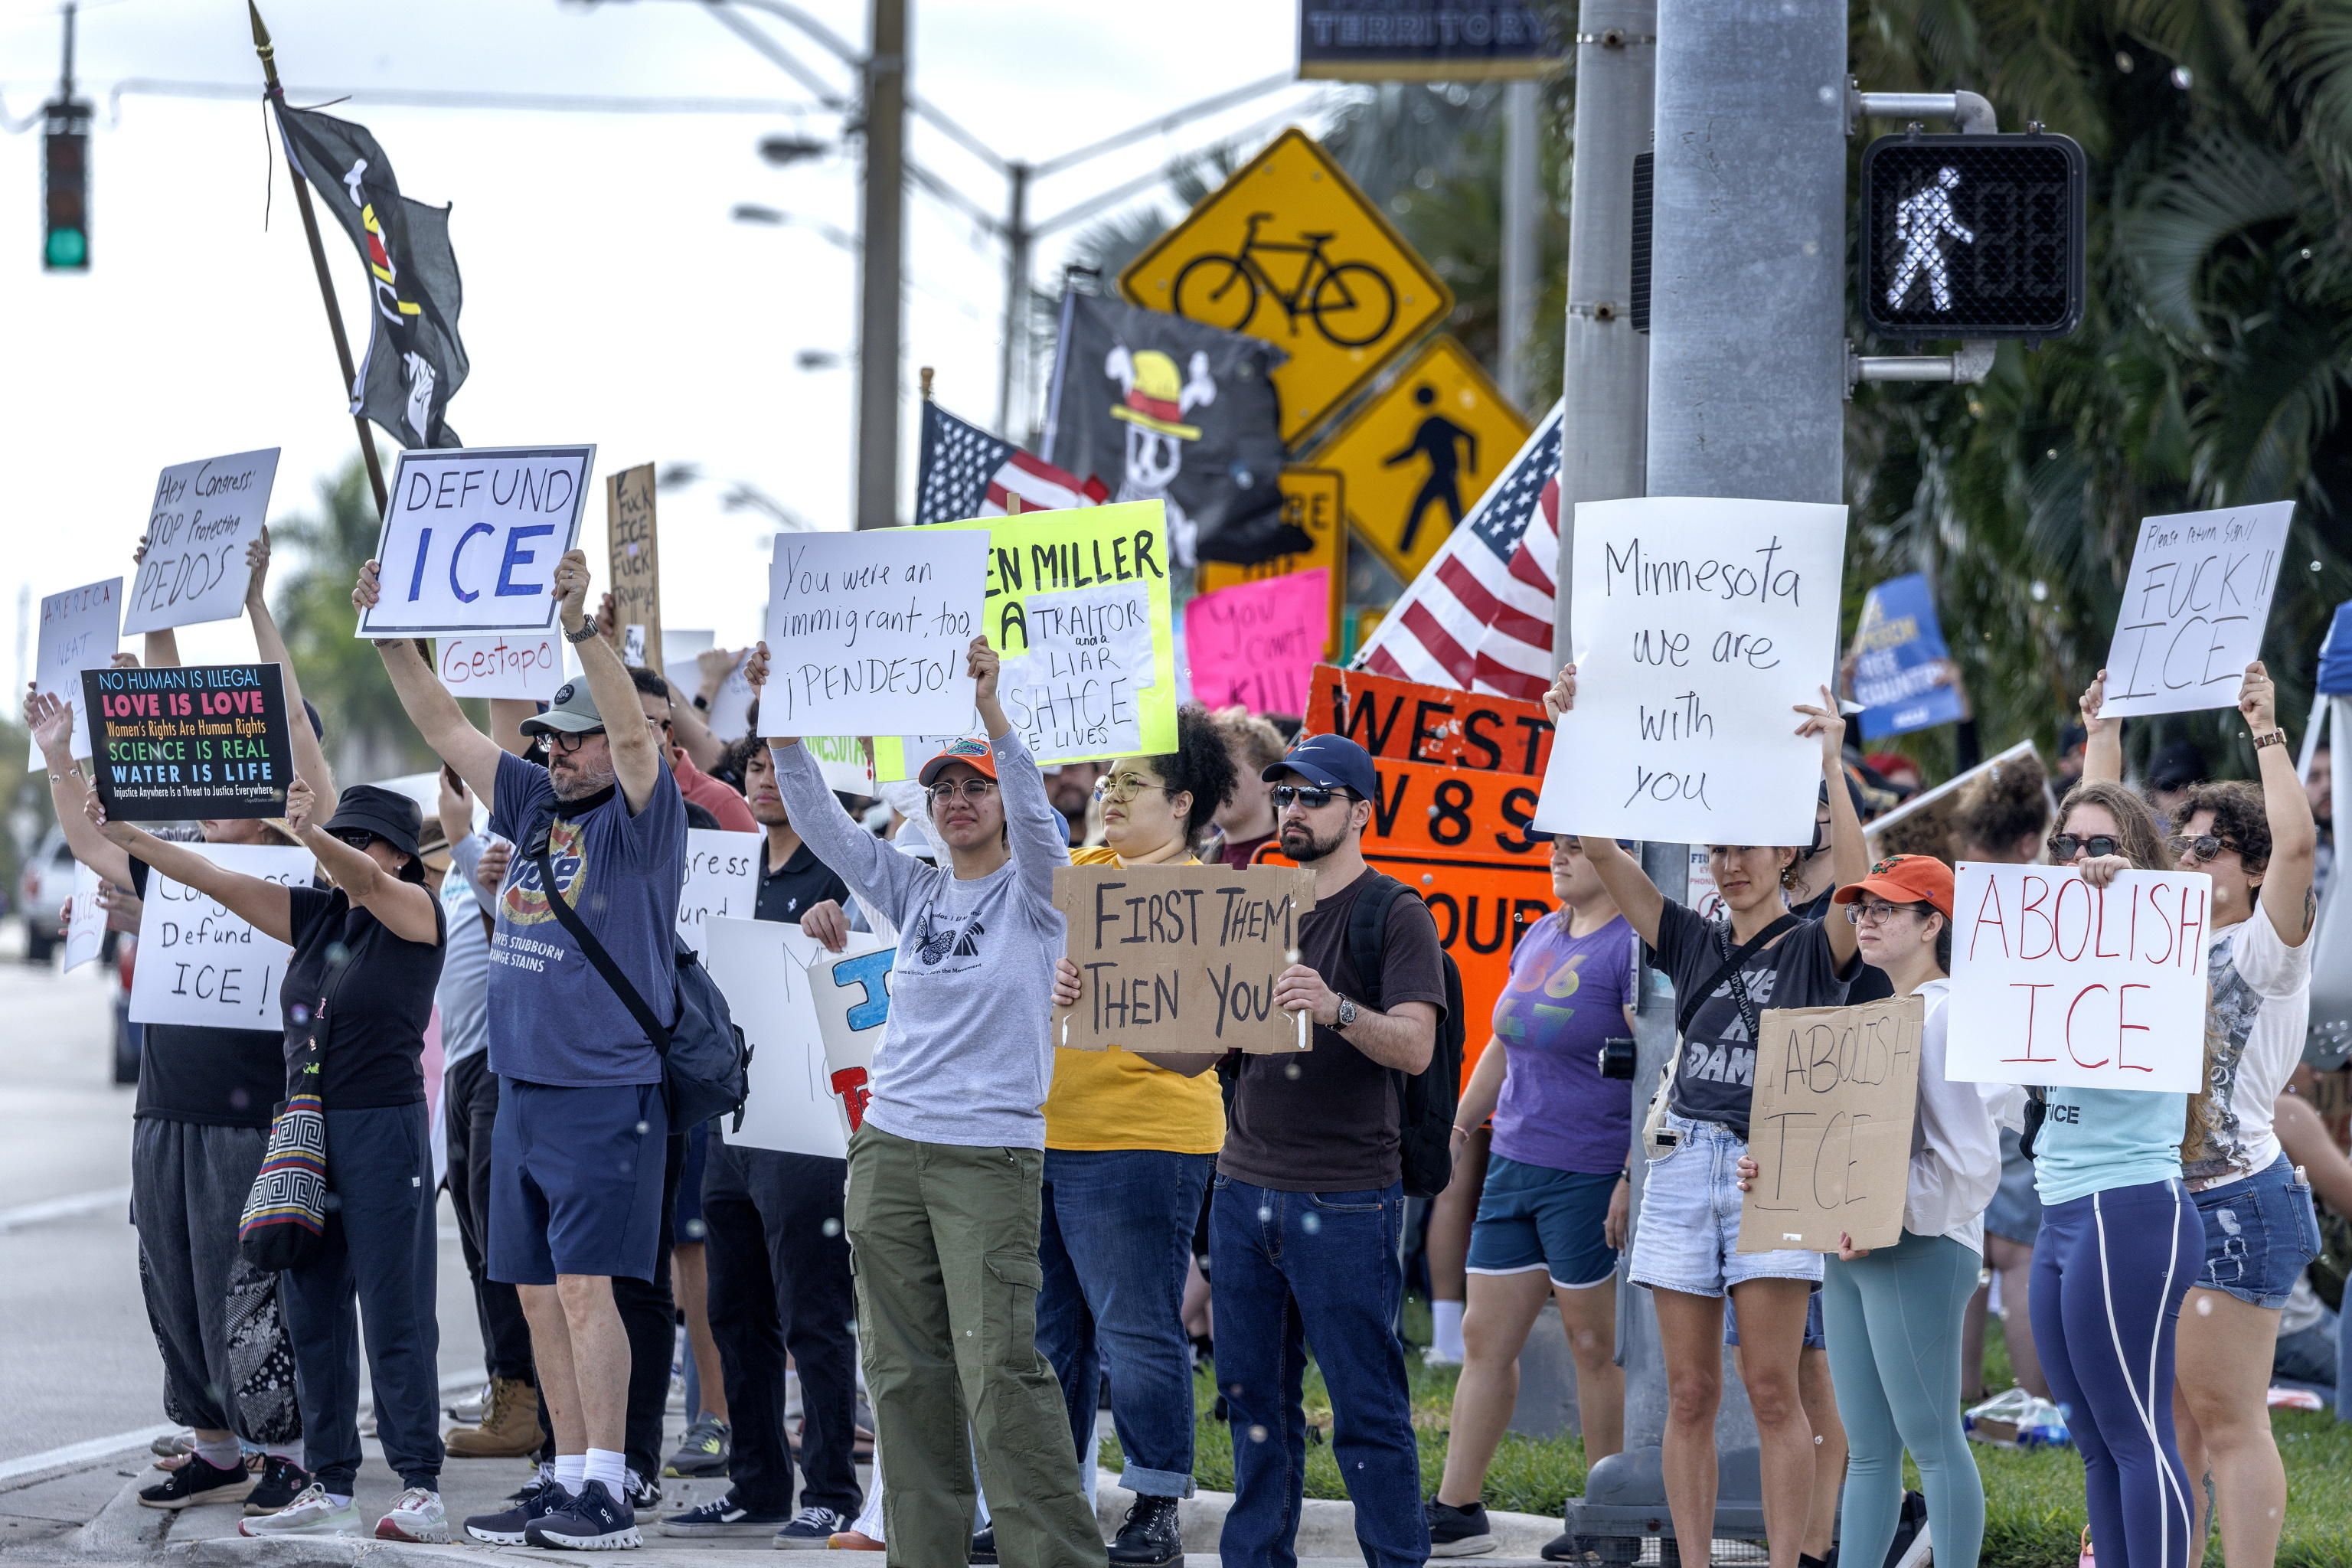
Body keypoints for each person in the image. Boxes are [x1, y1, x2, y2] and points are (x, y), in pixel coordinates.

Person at [358, 548, 684, 1552]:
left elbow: (633, 736)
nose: (559, 754)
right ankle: (564, 1473)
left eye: (573, 742)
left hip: (602, 1089)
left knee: (588, 1292)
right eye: (551, 740)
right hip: (522, 1088)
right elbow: (447, 729)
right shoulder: (532, 805)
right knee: (538, 1295)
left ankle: (608, 1490)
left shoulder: (642, 815)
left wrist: (584, 629)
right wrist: (391, 639)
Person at [761, 638, 1102, 1568]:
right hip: (890, 1148)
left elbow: (1038, 819)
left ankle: (1058, 1556)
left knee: (1001, 1371)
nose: (959, 800)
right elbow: (829, 830)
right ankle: (925, 1553)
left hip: (989, 1156)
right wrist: (784, 733)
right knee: (905, 1376)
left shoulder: (1040, 894)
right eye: (944, 788)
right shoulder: (913, 890)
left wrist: (996, 717)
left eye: (975, 786)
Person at [1097, 732, 1447, 1568]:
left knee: (1367, 1407)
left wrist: (1335, 1008)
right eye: (1284, 795)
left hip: (1348, 1197)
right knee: (1254, 1405)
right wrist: (1107, 1004)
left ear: (1359, 812)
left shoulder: (1392, 911)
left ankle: (1397, 1558)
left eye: (1314, 797)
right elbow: (1200, 1049)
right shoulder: (1257, 902)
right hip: (1246, 1188)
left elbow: (1417, 1047)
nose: (1293, 809)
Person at [1544, 662, 1866, 1568]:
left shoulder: (1811, 942)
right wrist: (1571, 727)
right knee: (1690, 1392)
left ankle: (1781, 1561)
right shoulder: (1687, 935)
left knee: (1771, 1388)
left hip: (1770, 1171)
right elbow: (1605, 851)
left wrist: (1833, 765)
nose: (1729, 862)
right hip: (1684, 1162)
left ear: (1784, 856)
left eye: (1748, 848)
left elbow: (1861, 884)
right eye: (1718, 849)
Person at [93, 777, 449, 1542]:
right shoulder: (318, 917)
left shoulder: (417, 915)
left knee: (394, 1311)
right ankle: (331, 1480)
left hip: (383, 1129)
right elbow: (213, 877)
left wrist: (314, 835)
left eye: (363, 839)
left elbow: (362, 879)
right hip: (307, 1131)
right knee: (311, 1309)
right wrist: (127, 833)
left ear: (399, 855)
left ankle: (421, 1484)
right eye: (341, 836)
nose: (347, 852)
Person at [27, 686, 311, 1512]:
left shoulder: (296, 878)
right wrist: (56, 752)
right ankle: (213, 1446)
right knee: (170, 1278)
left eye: (233, 797)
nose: (212, 808)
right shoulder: (174, 868)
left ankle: (282, 1452)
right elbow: (87, 837)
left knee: (248, 1289)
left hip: (247, 1115)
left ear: (267, 809)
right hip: (165, 1109)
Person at [2083, 663, 2321, 1568]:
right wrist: (2104, 733)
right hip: (2157, 1198)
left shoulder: (2267, 948)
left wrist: (2266, 727)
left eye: (2210, 845)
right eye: (2183, 841)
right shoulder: (2164, 930)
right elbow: (2096, 845)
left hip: (2234, 1203)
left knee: (2227, 1423)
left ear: (2253, 867)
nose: (2186, 856)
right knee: (2169, 1422)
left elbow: (2298, 850)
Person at [1740, 854, 1998, 1568]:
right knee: (1868, 1449)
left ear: (1933, 924)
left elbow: (1970, 1164)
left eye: (1886, 908)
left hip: (1918, 1244)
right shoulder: (1886, 1012)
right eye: (1861, 909)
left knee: (1931, 1441)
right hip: (1854, 1243)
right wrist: (1778, 1171)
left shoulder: (1947, 1016)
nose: (1866, 920)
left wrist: (1877, 1208)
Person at [1031, 709, 1236, 1567]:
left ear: (1183, 801)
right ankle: (1044, 1503)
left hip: (1146, 1141)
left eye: (1134, 782)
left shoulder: (1218, 901)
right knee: (1046, 1337)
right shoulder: (1069, 874)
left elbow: (1206, 1045)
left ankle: (1155, 1506)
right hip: (1040, 1134)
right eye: (1106, 779)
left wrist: (1105, 994)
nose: (1110, 794)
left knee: (1136, 1327)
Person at [659, 733, 864, 1548]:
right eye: (756, 768)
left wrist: (844, 929)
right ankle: (757, 1480)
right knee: (732, 1306)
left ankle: (834, 1488)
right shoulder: (725, 870)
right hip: (730, 1120)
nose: (769, 781)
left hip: (808, 1122)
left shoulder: (847, 872)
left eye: (786, 767)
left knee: (812, 1308)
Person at [1423, 834, 1636, 1557]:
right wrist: (1457, 1125)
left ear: (1614, 859)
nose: (1558, 856)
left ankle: (1609, 1516)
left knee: (1592, 1346)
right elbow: (1501, 1043)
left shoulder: (1633, 950)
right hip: (1514, 1163)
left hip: (1589, 1171)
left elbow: (1658, 1068)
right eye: (1556, 845)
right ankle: (1458, 1510)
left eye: (1577, 848)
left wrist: (1632, 1175)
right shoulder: (1541, 931)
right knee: (1486, 1337)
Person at [2028, 778, 2202, 1568]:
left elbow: (2167, 919)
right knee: (2096, 1442)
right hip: (2060, 1205)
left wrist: (2129, 884)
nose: (2081, 860)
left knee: (2137, 1433)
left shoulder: (2161, 931)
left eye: (2099, 845)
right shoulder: (2050, 943)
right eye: (2067, 844)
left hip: (2126, 1203)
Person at [435, 773, 544, 1462]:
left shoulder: (504, 854)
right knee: (478, 1243)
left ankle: (523, 1397)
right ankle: (509, 1387)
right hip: (461, 1066)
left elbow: (511, 912)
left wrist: (461, 836)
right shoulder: (458, 864)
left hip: (499, 1065)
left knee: (501, 1242)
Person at [1951, 751, 2056, 1403]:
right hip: (2021, 1082)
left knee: (1969, 1251)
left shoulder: (1961, 896)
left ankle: (1960, 1393)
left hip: (1966, 1075)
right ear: (2028, 840)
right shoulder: (2041, 895)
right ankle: (2034, 1401)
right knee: (2016, 1254)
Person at [1205, 708, 1286, 869]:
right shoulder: (1193, 859)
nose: (1214, 781)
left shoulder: (1298, 858)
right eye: (1209, 770)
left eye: (1228, 770)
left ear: (1268, 779)